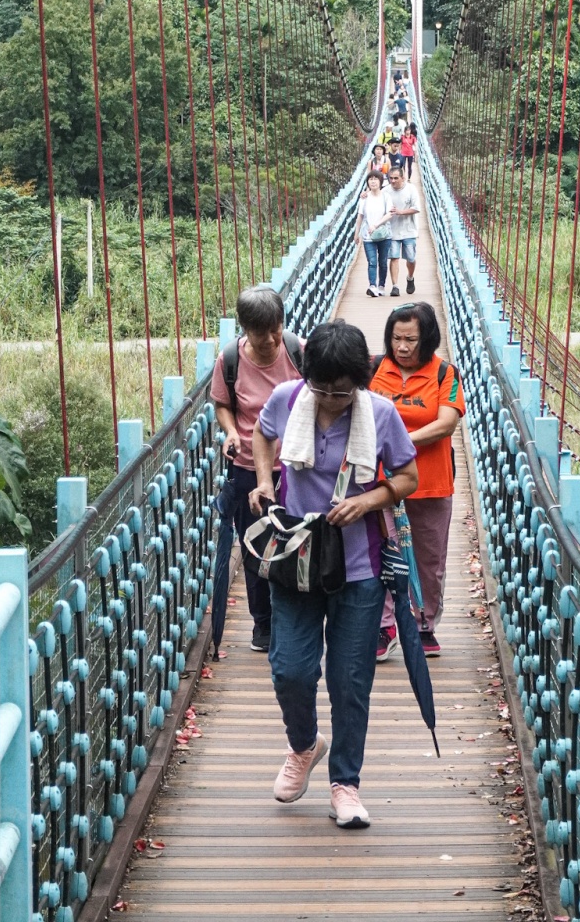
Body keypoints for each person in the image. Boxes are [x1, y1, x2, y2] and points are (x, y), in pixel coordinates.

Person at [250, 320, 418, 828]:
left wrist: (367, 500)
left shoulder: (381, 414)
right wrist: (263, 481)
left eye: (342, 393)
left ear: (360, 384)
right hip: (297, 560)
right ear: (307, 378)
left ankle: (346, 784)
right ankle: (304, 746)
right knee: (290, 669)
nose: (329, 400)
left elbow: (408, 476)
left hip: (359, 565)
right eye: (320, 389)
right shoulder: (286, 397)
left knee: (350, 680)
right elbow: (262, 435)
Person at [210, 286, 304, 653]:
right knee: (255, 548)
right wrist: (231, 431)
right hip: (248, 466)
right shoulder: (230, 359)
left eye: (275, 329)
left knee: (298, 544)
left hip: (297, 466)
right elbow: (222, 403)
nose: (269, 339)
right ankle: (262, 624)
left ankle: (294, 619)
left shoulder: (299, 351)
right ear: (244, 329)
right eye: (259, 332)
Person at [369, 303, 465, 660]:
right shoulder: (376, 369)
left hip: (430, 482)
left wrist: (399, 441)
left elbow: (446, 423)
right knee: (383, 552)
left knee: (429, 557)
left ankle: (424, 622)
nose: (403, 346)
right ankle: (386, 625)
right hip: (382, 481)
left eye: (411, 339)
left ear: (427, 339)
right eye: (396, 338)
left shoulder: (444, 374)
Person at [385, 164, 419, 298]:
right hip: (392, 231)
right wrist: (364, 195)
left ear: (403, 178)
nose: (392, 181)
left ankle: (410, 277)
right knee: (394, 257)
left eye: (395, 178)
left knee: (410, 258)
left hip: (409, 230)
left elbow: (416, 208)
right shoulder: (385, 191)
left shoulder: (411, 189)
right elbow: (374, 198)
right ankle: (395, 286)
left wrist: (400, 212)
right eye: (390, 178)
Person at [358, 170, 393, 297]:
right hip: (368, 236)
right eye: (370, 179)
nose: (373, 181)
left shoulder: (386, 197)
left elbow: (390, 214)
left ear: (380, 181)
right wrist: (356, 235)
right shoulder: (364, 198)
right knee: (372, 261)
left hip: (384, 234)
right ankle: (372, 286)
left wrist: (376, 225)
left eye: (375, 179)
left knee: (383, 262)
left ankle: (381, 286)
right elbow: (360, 217)